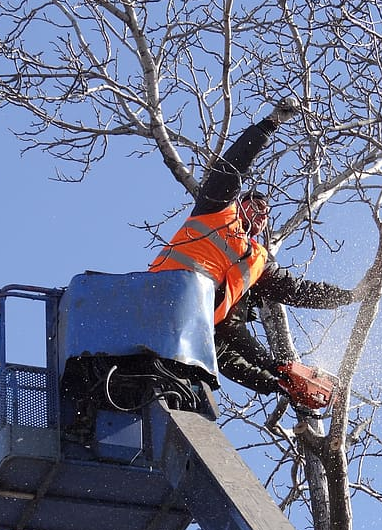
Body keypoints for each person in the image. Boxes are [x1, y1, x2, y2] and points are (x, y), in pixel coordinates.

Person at [149, 98, 369, 399]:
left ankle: (282, 377)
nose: (261, 214)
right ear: (239, 203)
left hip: (185, 330)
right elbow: (233, 166)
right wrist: (269, 125)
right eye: (256, 205)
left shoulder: (255, 264)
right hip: (160, 297)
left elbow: (295, 293)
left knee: (208, 374)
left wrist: (276, 380)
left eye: (266, 212)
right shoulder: (215, 211)